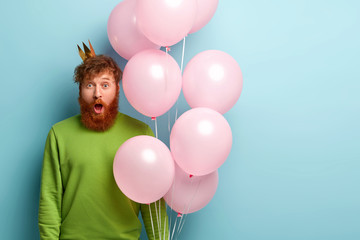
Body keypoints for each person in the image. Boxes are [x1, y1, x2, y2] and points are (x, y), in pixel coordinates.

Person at [38, 42, 168, 240]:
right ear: (80, 90)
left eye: (105, 85)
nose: (97, 93)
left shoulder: (141, 133)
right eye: (90, 85)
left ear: (116, 89)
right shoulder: (59, 134)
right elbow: (50, 198)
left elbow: (153, 203)